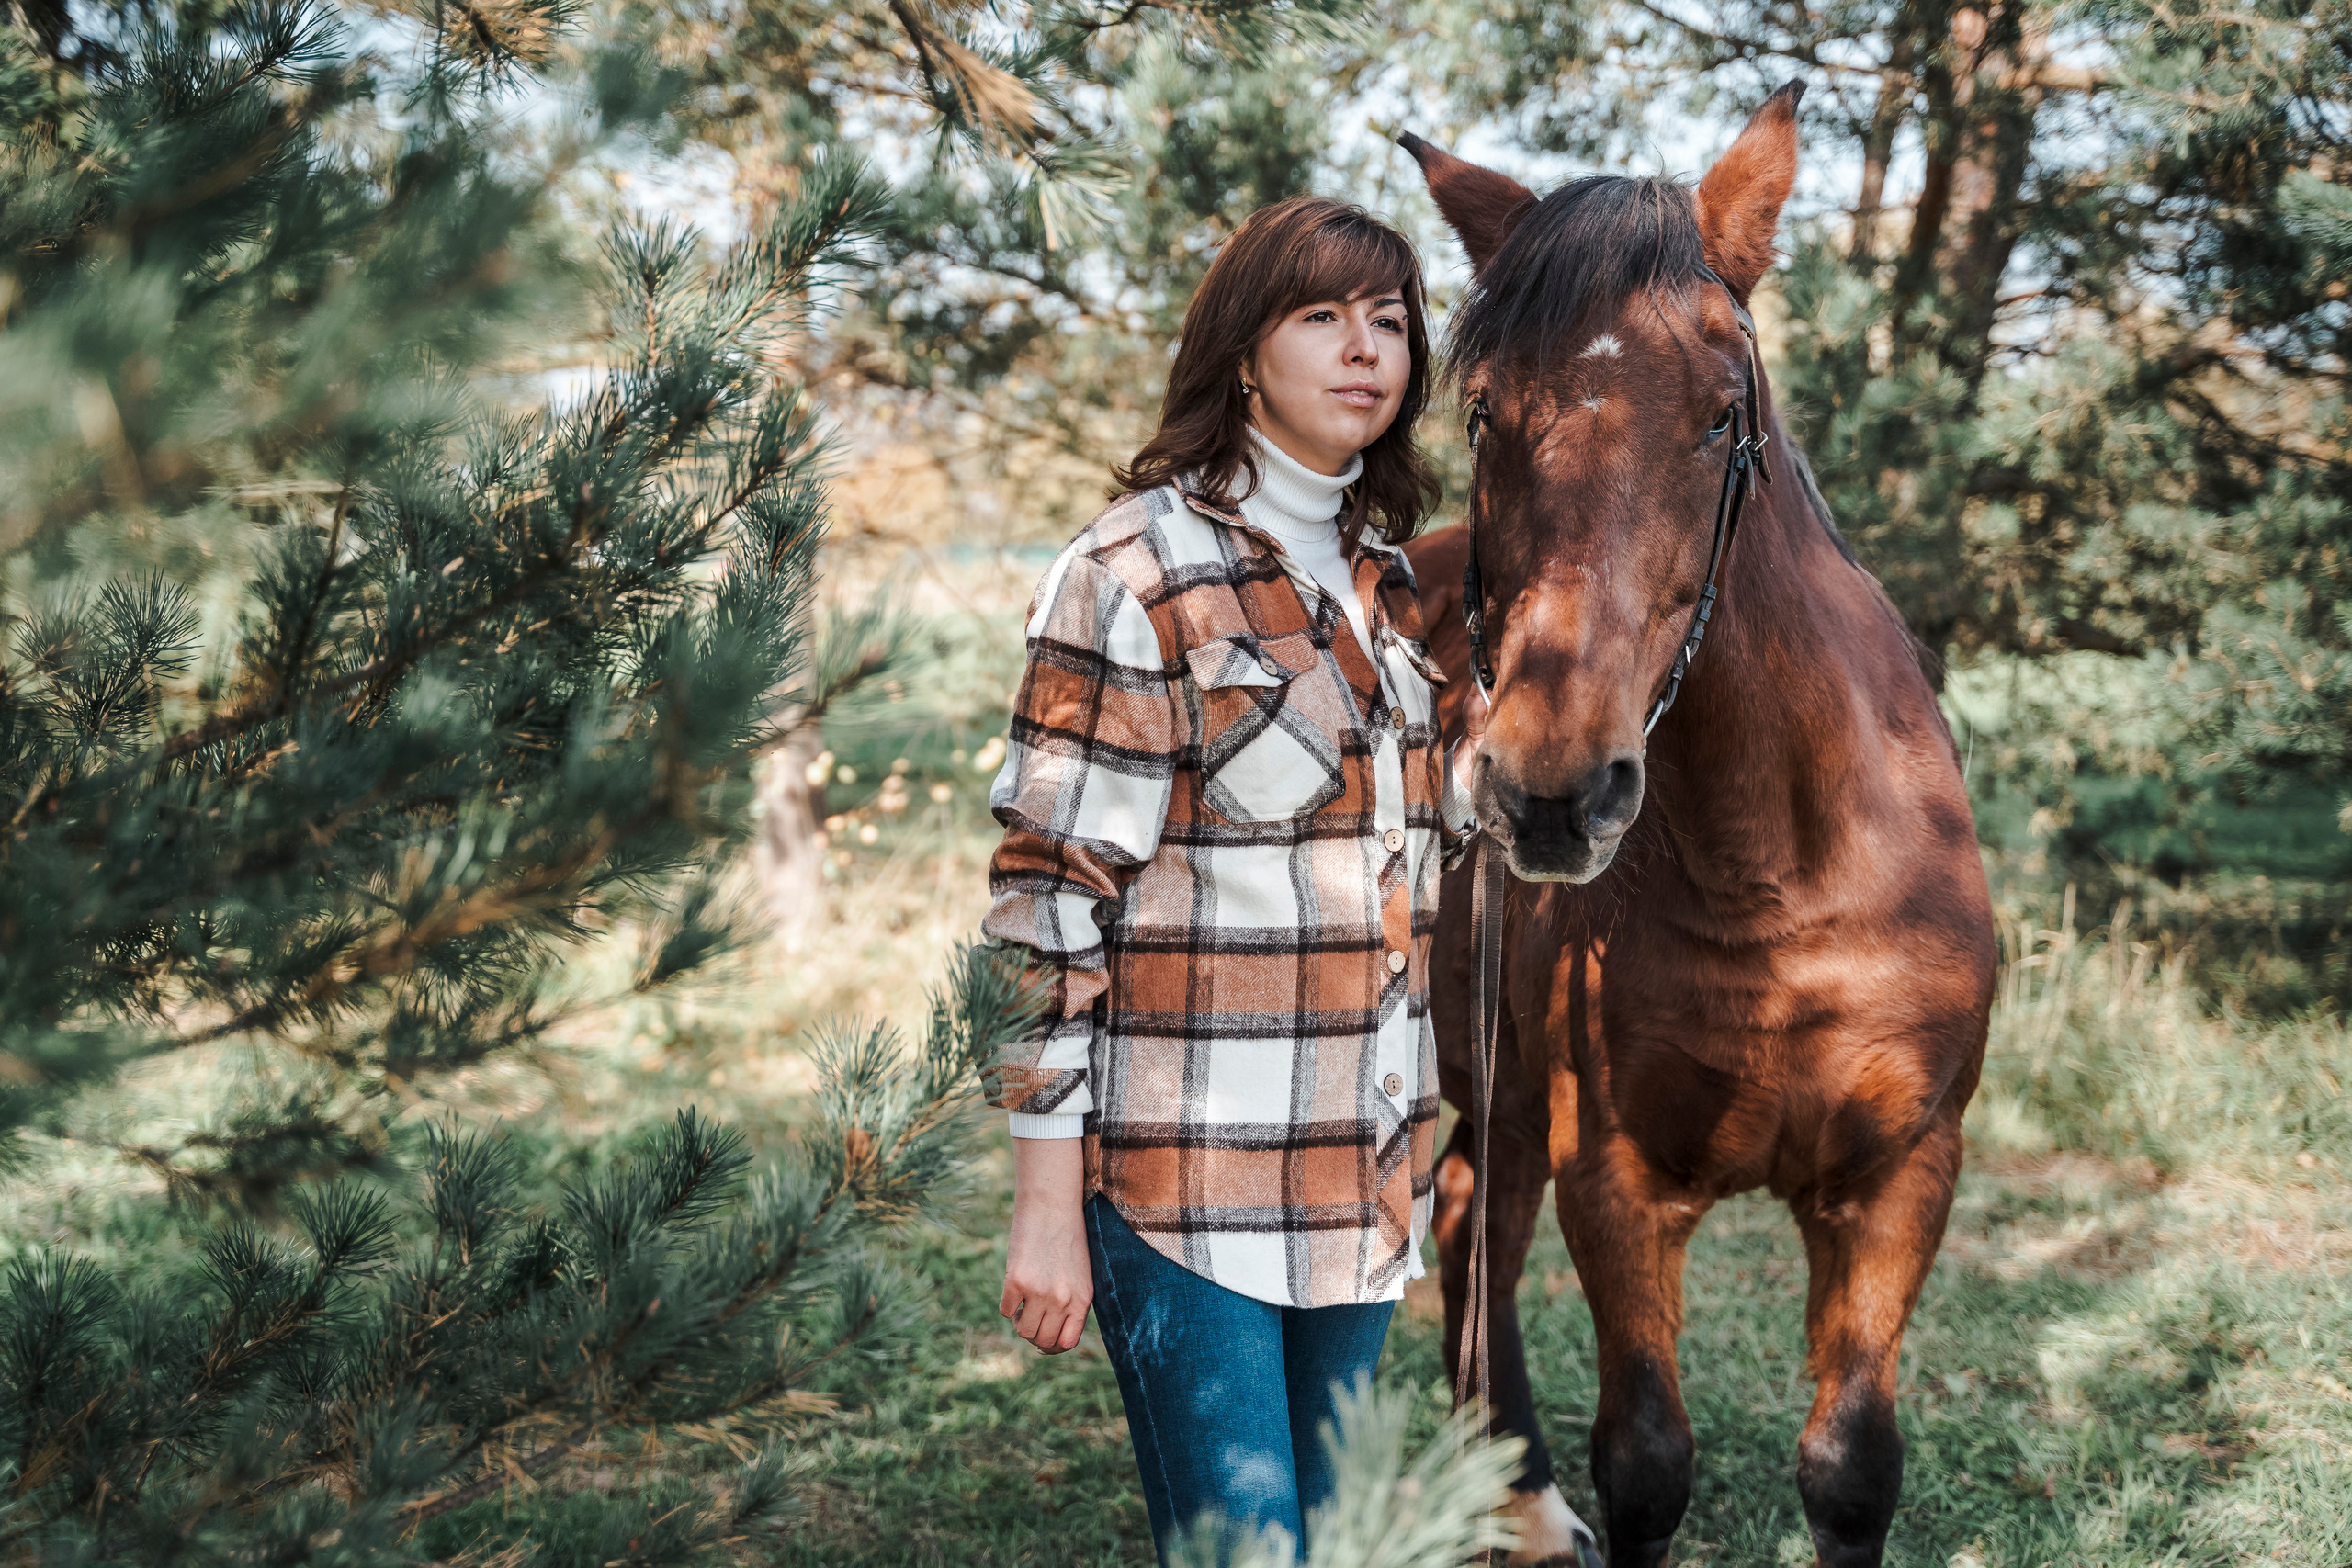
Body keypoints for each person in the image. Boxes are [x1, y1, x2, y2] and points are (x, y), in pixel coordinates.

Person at [980, 194, 1485, 1562]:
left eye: (1389, 321)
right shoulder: (1136, 571)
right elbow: (1044, 897)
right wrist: (1046, 1207)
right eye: (1321, 315)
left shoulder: (1390, 595)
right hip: (1184, 1183)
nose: (1364, 347)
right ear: (1243, 351)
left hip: (1362, 1181)